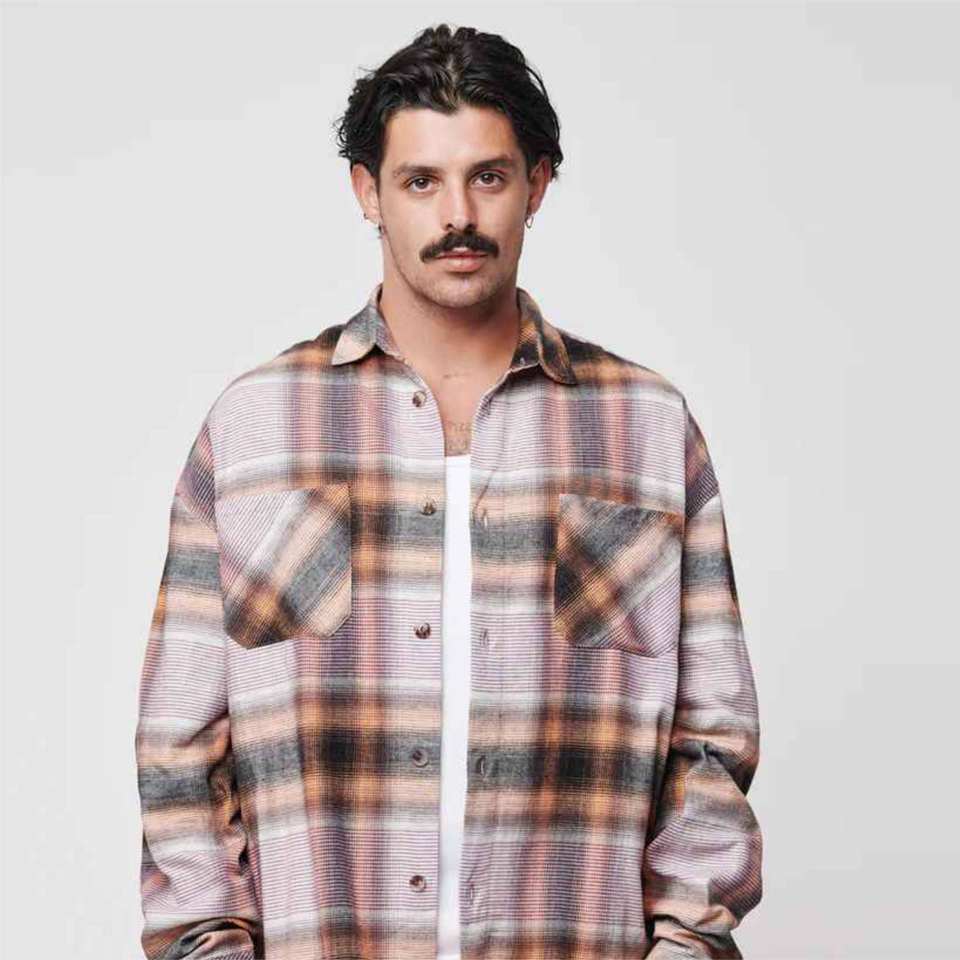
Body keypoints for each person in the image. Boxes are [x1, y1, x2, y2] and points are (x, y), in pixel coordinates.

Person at [134, 22, 762, 960]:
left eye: (489, 177)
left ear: (537, 185)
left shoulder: (645, 430)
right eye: (421, 181)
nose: (457, 214)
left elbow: (711, 738)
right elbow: (180, 746)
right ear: (368, 193)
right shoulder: (257, 428)